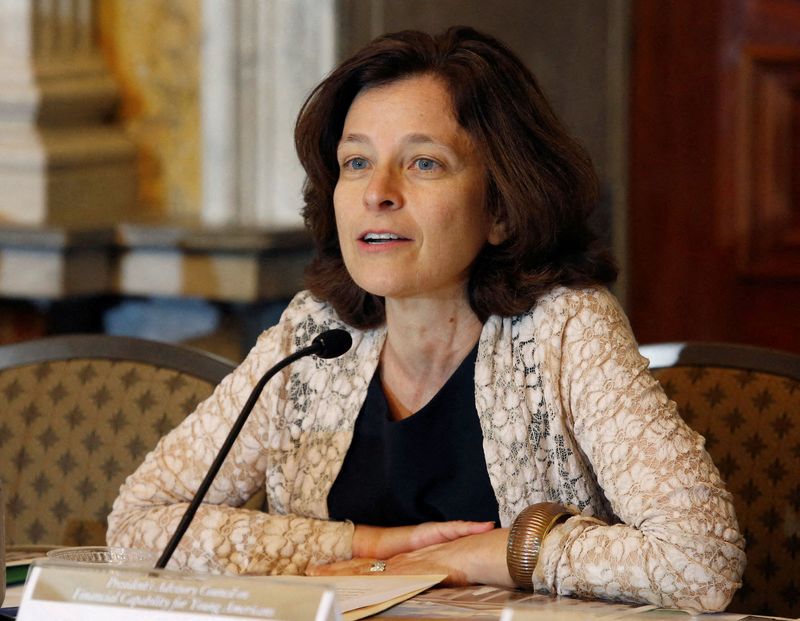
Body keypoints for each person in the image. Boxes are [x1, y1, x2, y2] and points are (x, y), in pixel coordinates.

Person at [107, 26, 745, 612]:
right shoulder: (314, 334)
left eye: (424, 163)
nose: (377, 191)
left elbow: (701, 562)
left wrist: (490, 554)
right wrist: (373, 546)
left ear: (500, 208)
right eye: (356, 161)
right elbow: (139, 527)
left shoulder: (566, 330)